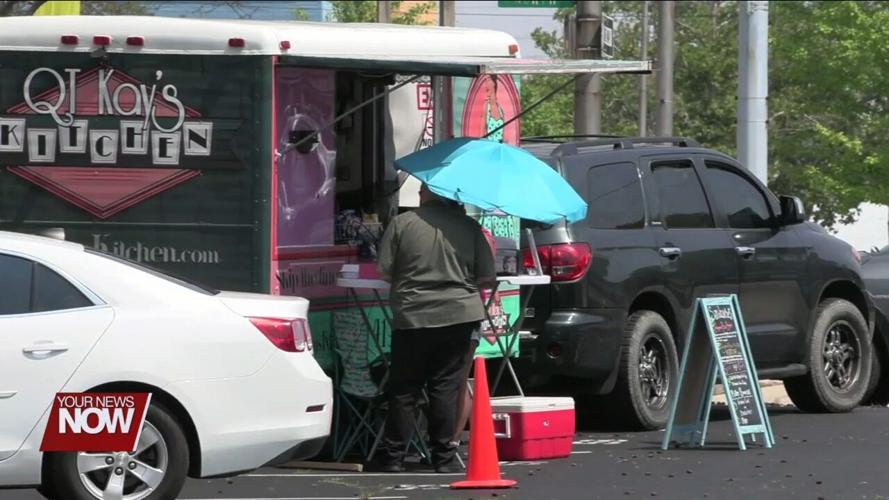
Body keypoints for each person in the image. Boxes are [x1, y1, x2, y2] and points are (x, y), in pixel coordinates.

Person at [376, 184, 496, 473]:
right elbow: (487, 278)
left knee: (405, 388)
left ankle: (393, 458)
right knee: (445, 387)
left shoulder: (402, 223)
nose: (417, 196)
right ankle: (442, 458)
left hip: (412, 315)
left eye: (420, 192)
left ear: (426, 194)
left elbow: (384, 270)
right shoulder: (469, 227)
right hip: (458, 314)